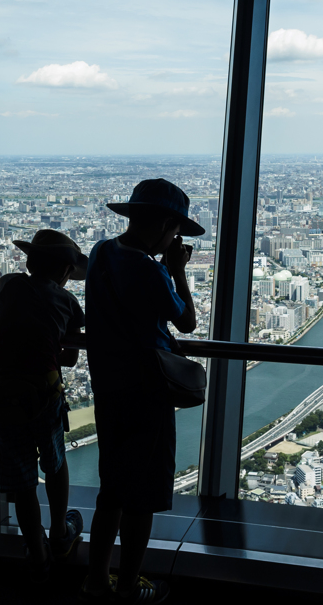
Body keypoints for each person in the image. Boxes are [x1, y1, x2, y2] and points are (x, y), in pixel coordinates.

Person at [80, 179, 204, 603]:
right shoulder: (148, 268)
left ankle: (96, 580)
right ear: (168, 224)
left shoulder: (100, 252)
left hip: (107, 387)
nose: (176, 240)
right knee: (142, 498)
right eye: (176, 232)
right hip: (147, 392)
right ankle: (129, 586)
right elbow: (186, 322)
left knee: (111, 490)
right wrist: (177, 270)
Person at [0, 228, 88, 581]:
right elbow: (68, 359)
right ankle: (61, 535)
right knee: (54, 463)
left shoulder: (7, 284)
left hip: (4, 394)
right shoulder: (69, 304)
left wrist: (8, 330)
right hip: (45, 395)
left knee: (22, 481)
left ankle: (36, 553)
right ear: (66, 271)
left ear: (29, 261)